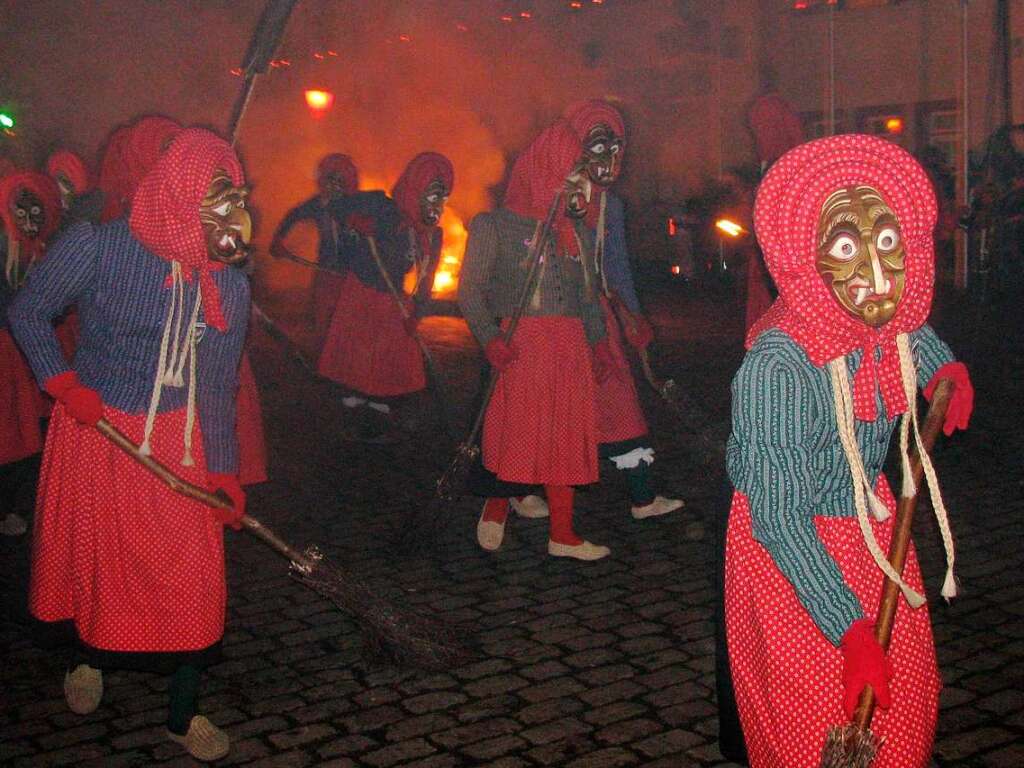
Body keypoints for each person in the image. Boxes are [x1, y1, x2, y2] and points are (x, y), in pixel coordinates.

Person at [725, 134, 974, 767]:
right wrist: (851, 629)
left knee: (903, 705)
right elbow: (778, 517)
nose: (874, 273)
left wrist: (943, 372)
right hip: (792, 551)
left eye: (887, 244)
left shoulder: (874, 316)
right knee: (816, 723)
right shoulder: (777, 368)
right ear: (810, 259)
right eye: (845, 249)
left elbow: (910, 328)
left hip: (874, 526)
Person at [10, 127, 252, 762]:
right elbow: (28, 310)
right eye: (212, 195)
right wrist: (60, 381)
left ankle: (183, 711)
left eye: (232, 195)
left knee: (193, 580)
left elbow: (220, 386)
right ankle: (89, 658)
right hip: (97, 430)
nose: (227, 213)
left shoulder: (227, 283)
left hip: (180, 439)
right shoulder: (98, 245)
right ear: (177, 192)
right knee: (101, 561)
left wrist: (226, 474)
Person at [459, 120, 613, 561]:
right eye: (571, 174)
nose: (579, 187)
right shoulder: (495, 226)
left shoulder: (576, 232)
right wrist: (490, 337)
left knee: (564, 436)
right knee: (518, 433)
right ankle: (495, 507)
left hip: (568, 347)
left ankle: (562, 533)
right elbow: (469, 290)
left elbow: (587, 297)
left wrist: (599, 343)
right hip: (522, 346)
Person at [563, 99, 685, 521]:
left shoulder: (611, 207)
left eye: (616, 149)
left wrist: (633, 316)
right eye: (599, 147)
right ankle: (511, 495)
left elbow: (616, 266)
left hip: (599, 315)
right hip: (556, 321)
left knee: (618, 403)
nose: (609, 159)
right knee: (552, 407)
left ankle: (643, 496)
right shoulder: (552, 198)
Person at [317, 152, 453, 439]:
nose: (435, 206)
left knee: (388, 357)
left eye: (441, 198)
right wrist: (354, 218)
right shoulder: (379, 204)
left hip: (392, 299)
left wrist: (417, 311)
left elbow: (427, 276)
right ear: (415, 189)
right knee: (357, 353)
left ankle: (378, 407)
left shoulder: (430, 235)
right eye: (430, 196)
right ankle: (350, 410)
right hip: (361, 291)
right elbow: (336, 206)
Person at [270, 153, 360, 343]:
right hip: (326, 270)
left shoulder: (358, 206)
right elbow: (293, 216)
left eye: (339, 181)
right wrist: (278, 240)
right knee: (322, 320)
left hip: (353, 274)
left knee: (349, 323)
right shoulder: (317, 205)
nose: (333, 186)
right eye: (330, 180)